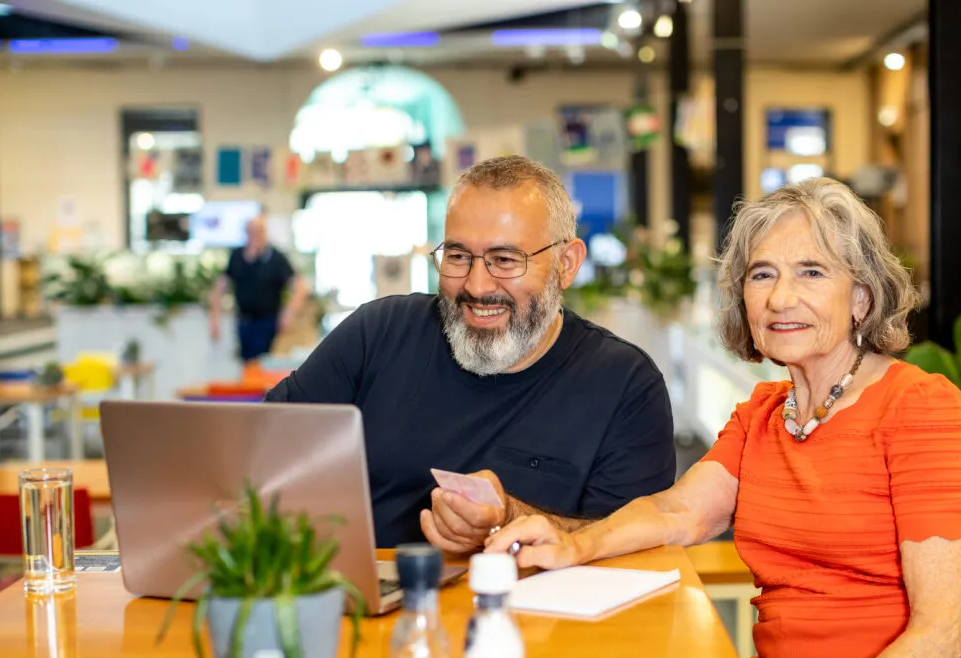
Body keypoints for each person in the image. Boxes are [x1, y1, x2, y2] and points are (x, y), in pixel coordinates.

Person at [486, 178, 961, 658]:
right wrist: (572, 545)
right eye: (762, 274)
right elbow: (677, 511)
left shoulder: (923, 411)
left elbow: (938, 635)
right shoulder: (764, 413)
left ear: (861, 298)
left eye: (812, 272)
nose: (781, 297)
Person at [265, 155, 675, 548]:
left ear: (566, 264)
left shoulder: (624, 385)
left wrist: (512, 517)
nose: (477, 286)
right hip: (365, 611)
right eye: (458, 256)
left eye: (505, 259)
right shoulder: (378, 334)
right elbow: (260, 452)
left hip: (541, 617)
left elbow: (637, 545)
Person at [209, 215, 309, 362]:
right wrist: (214, 319)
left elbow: (301, 288)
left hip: (266, 320)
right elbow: (219, 288)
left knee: (260, 360)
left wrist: (288, 313)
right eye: (251, 231)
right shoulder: (237, 256)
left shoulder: (276, 258)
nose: (254, 235)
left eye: (258, 231)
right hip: (243, 320)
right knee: (246, 360)